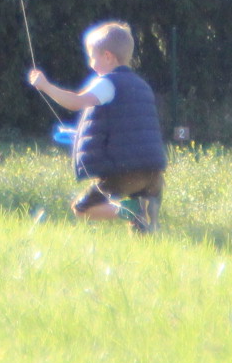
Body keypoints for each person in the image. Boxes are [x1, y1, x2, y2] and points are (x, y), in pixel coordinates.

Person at [29, 21, 167, 232]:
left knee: (82, 209)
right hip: (154, 173)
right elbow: (126, 128)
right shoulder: (142, 86)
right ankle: (142, 216)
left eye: (93, 57)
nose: (91, 64)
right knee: (142, 231)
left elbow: (75, 102)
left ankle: (129, 210)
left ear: (108, 57)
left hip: (125, 172)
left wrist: (45, 86)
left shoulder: (108, 83)